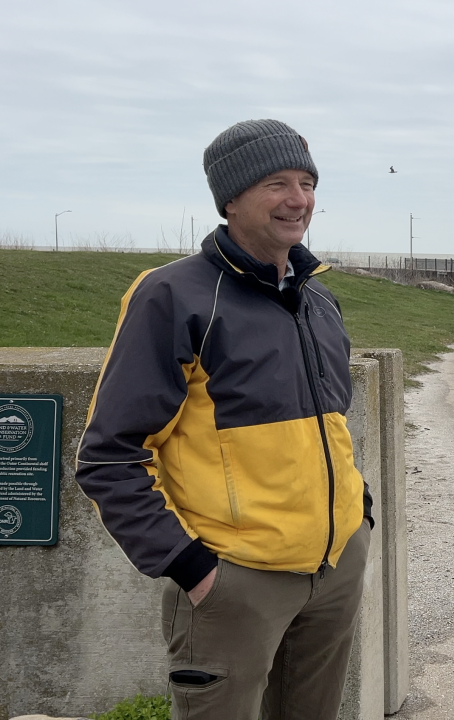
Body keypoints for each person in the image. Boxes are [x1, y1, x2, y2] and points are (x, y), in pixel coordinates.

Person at [76, 119, 374, 720]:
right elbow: (109, 455)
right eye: (276, 183)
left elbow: (330, 425)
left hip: (335, 564)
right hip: (235, 581)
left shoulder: (318, 297)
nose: (299, 200)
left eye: (308, 182)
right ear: (230, 199)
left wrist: (359, 514)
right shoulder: (173, 296)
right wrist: (194, 570)